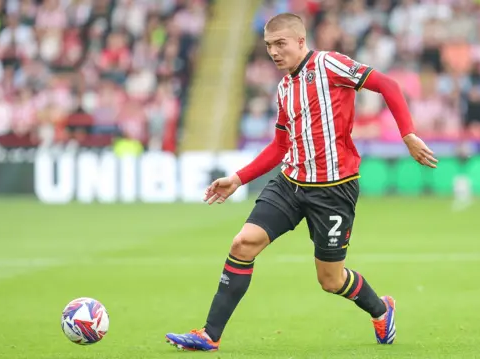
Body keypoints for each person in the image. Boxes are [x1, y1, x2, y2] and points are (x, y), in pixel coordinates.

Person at [165, 13, 438, 351]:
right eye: (268, 46)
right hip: (291, 184)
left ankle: (382, 310)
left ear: (300, 41)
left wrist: (407, 134)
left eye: (280, 44)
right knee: (243, 244)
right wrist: (237, 178)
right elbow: (281, 146)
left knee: (331, 280)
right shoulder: (284, 88)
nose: (274, 52)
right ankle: (209, 335)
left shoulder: (330, 64)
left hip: (334, 190)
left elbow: (388, 85)